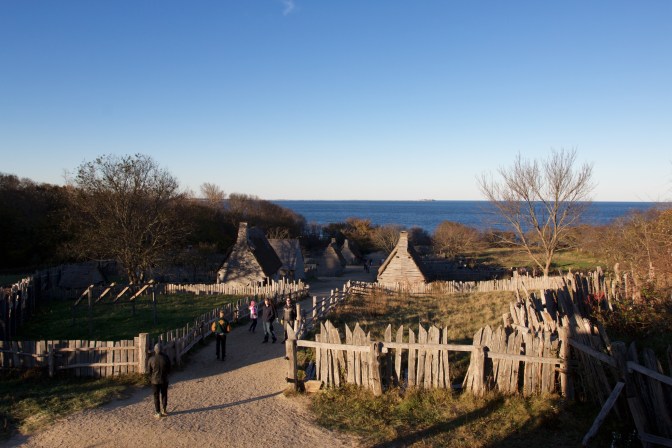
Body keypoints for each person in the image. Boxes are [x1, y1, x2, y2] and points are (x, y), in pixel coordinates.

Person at [147, 342, 171, 419]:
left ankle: (158, 412)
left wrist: (151, 378)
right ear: (162, 349)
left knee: (156, 396)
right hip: (164, 379)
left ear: (155, 350)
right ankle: (164, 409)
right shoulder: (166, 357)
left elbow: (149, 371)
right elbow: (169, 368)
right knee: (164, 394)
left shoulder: (151, 359)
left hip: (154, 381)